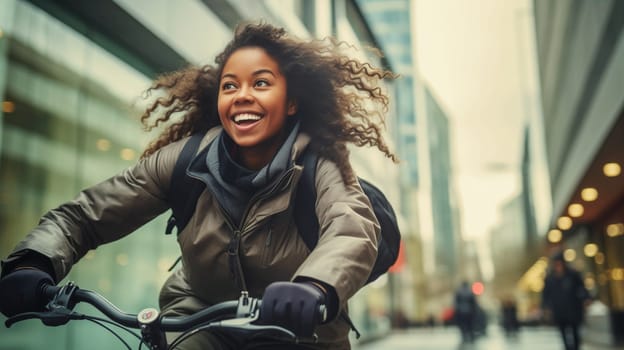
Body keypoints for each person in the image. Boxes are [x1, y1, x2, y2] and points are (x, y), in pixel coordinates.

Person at [0, 22, 398, 349]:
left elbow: (351, 228)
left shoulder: (319, 162)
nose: (242, 96)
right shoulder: (185, 160)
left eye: (261, 84)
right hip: (199, 315)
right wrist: (35, 261)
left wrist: (315, 286)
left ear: (291, 102)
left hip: (299, 329)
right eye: (230, 86)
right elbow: (86, 215)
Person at [541, 252, 592, 350]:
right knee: (563, 332)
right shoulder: (550, 278)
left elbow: (582, 288)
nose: (558, 266)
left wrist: (586, 298)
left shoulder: (573, 274)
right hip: (559, 310)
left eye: (560, 263)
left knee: (575, 331)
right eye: (556, 264)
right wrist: (545, 307)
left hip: (574, 309)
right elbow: (545, 294)